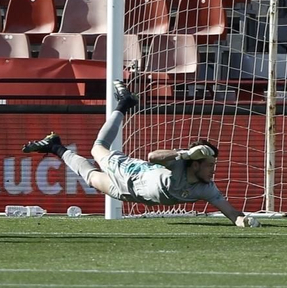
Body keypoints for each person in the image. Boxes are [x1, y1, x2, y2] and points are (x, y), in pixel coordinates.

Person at [22, 83, 256, 227]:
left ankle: (55, 147)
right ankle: (125, 103)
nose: (213, 170)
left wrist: (243, 221)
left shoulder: (207, 189)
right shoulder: (178, 164)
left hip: (129, 194)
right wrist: (184, 153)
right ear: (195, 164)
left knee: (91, 178)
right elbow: (153, 156)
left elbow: (231, 213)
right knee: (97, 147)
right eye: (209, 165)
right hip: (129, 172)